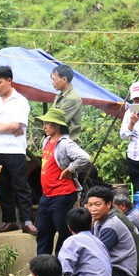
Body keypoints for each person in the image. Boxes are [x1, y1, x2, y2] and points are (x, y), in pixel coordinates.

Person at [0, 66, 37, 234]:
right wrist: (6, 127)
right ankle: (9, 220)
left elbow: (17, 125)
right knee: (1, 186)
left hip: (15, 150)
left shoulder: (20, 100)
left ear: (9, 81)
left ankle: (27, 220)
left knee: (21, 185)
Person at [36, 107, 91, 255]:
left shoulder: (65, 143)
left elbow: (84, 158)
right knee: (43, 232)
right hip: (47, 195)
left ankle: (62, 265)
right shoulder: (46, 141)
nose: (44, 126)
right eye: (44, 123)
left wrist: (70, 169)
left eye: (48, 123)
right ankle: (42, 268)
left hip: (62, 194)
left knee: (64, 231)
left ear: (57, 125)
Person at [58, 207, 114, 276]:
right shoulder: (98, 242)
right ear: (91, 224)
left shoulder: (72, 240)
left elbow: (64, 272)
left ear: (69, 227)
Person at [84, 186, 137, 276]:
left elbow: (95, 255)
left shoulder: (111, 226)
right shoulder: (98, 222)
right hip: (111, 270)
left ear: (108, 205)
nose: (93, 209)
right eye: (90, 205)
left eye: (97, 205)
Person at [51, 65, 82, 145]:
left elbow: (56, 121)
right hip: (58, 142)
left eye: (54, 79)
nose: (52, 83)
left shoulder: (73, 98)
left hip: (68, 144)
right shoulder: (59, 96)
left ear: (64, 79)